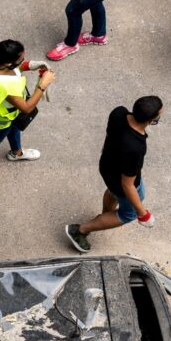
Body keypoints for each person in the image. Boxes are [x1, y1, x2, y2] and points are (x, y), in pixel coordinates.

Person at [65, 96, 163, 253]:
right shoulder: (136, 148)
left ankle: (105, 216)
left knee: (113, 192)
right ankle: (80, 230)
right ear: (151, 120)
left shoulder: (119, 112)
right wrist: (142, 213)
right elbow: (127, 184)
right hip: (122, 180)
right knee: (127, 213)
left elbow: (108, 134)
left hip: (107, 167)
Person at [0, 40, 56, 162]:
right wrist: (43, 85)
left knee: (15, 128)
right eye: (21, 60)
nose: (24, 60)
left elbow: (16, 69)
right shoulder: (4, 85)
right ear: (9, 62)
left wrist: (29, 65)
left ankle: (16, 153)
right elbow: (26, 108)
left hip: (10, 113)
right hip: (2, 118)